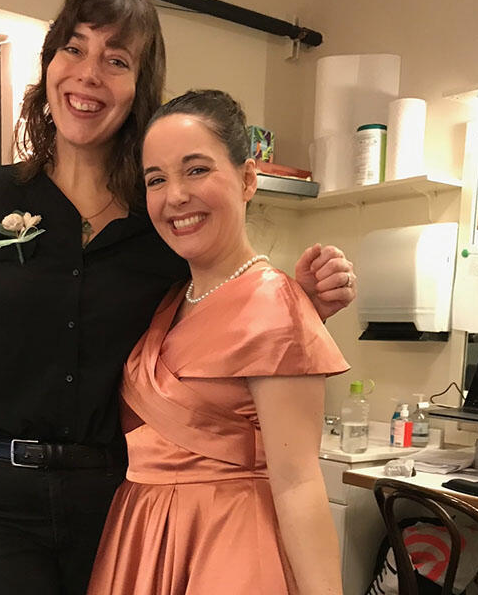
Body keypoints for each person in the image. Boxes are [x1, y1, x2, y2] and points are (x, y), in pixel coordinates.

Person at [0, 0, 355, 594]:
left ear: (138, 87)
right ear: (49, 63)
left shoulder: (162, 224)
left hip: (117, 499)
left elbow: (215, 322)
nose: (89, 74)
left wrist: (298, 305)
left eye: (116, 60)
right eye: (74, 49)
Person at [86, 89, 349, 595]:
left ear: (248, 179)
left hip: (229, 543)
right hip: (143, 537)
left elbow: (298, 483)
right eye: (156, 179)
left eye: (196, 170)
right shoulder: (169, 303)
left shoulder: (275, 302)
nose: (175, 196)